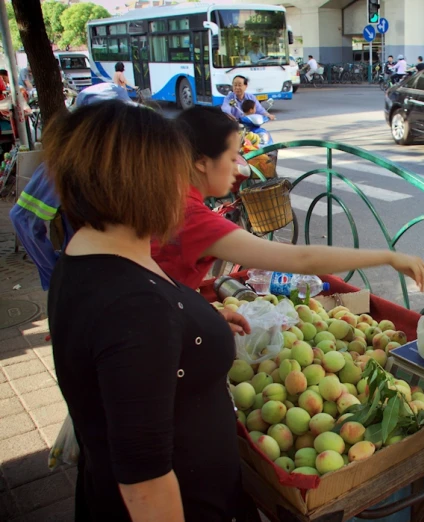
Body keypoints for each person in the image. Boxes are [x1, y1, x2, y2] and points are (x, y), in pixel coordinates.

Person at [45, 99, 254, 521]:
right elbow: (145, 480)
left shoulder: (88, 251)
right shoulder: (133, 306)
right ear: (146, 184)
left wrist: (198, 322)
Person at [151, 106, 424, 292]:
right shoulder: (193, 219)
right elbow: (303, 258)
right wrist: (388, 256)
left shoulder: (162, 195)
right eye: (230, 157)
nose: (241, 165)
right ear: (201, 162)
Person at [10, 83, 133, 292]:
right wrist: (54, 271)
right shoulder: (63, 165)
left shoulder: (134, 160)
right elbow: (24, 218)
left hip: (132, 276)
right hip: (87, 282)